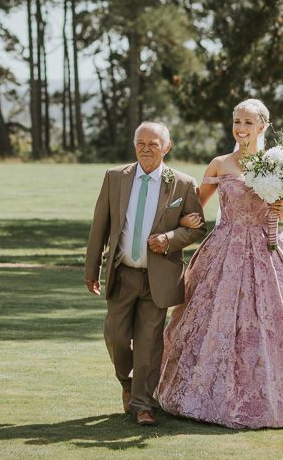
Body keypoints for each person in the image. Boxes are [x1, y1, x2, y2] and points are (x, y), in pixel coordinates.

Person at [155, 98, 283, 429]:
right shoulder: (219, 164)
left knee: (276, 321)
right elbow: (197, 208)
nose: (240, 128)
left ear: (263, 126)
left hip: (269, 250)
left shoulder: (278, 164)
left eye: (248, 122)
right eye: (237, 121)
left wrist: (281, 212)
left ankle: (277, 394)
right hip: (225, 248)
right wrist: (176, 227)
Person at [84, 121, 206, 426]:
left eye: (154, 143)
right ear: (134, 144)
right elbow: (99, 226)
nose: (146, 149)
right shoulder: (115, 178)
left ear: (167, 147)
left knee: (150, 343)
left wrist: (170, 239)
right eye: (141, 143)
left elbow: (197, 228)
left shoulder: (182, 183)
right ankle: (126, 382)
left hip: (160, 277)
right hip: (123, 273)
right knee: (116, 337)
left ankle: (142, 405)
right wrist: (91, 268)